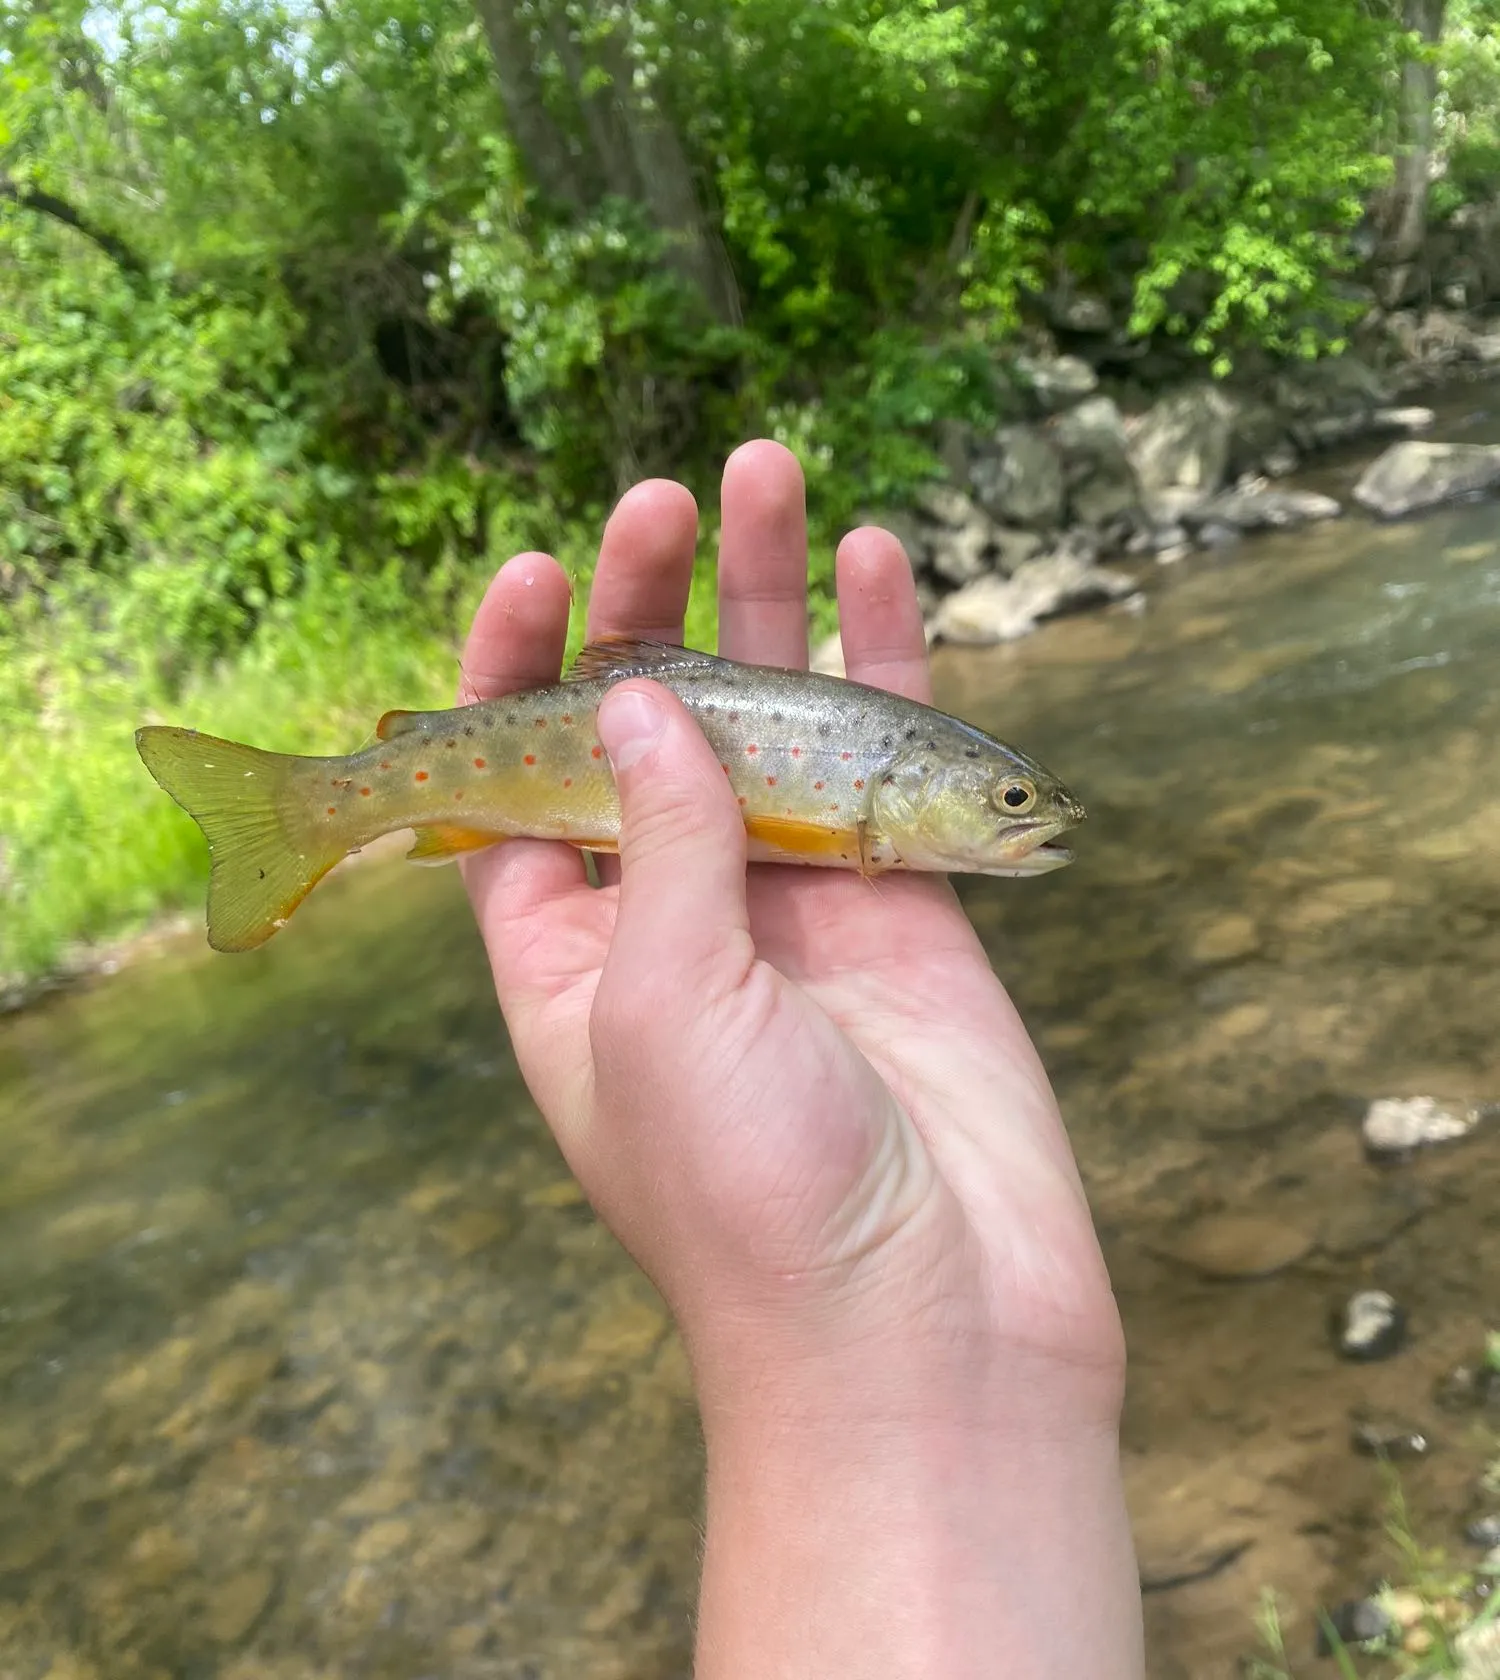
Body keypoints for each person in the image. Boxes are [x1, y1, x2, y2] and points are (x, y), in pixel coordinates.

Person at [456, 440, 1145, 1678]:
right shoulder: (849, 791)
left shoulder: (872, 794)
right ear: (914, 786)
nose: (1031, 821)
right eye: (1006, 802)